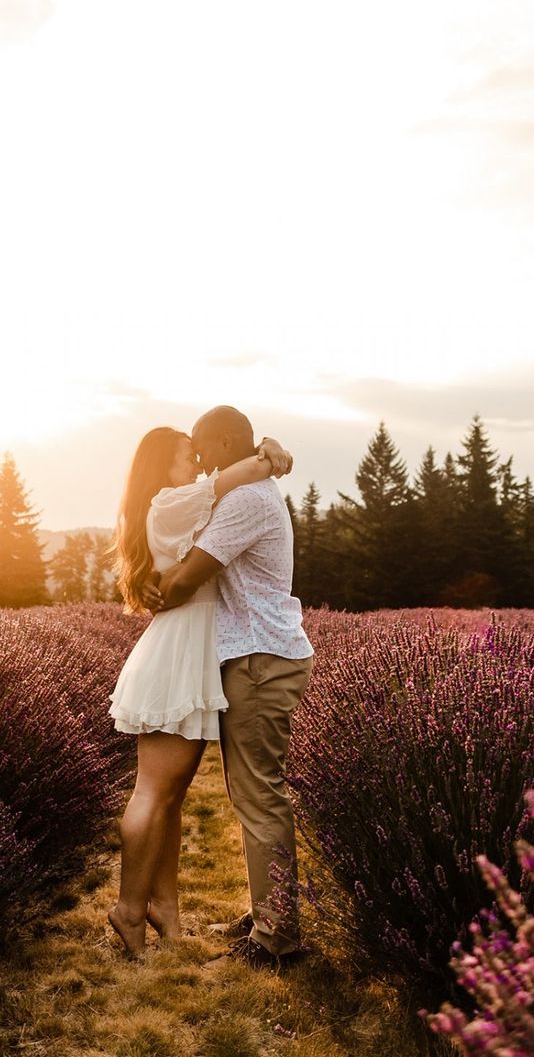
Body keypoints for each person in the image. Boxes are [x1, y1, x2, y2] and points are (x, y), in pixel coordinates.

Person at [106, 425, 292, 956]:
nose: (200, 465)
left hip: (191, 648)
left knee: (170, 795)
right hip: (179, 652)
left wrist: (268, 447)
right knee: (152, 791)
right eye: (189, 456)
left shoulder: (179, 502)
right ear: (162, 465)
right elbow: (244, 472)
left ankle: (164, 909)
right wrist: (270, 453)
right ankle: (127, 909)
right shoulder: (171, 501)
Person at [142, 405, 314, 970]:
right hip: (257, 656)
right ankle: (269, 913)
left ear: (221, 443)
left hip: (260, 661)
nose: (196, 461)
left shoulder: (244, 499)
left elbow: (190, 576)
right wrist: (269, 449)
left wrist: (154, 588)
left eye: (200, 448)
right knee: (251, 795)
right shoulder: (247, 487)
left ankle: (277, 940)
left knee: (260, 796)